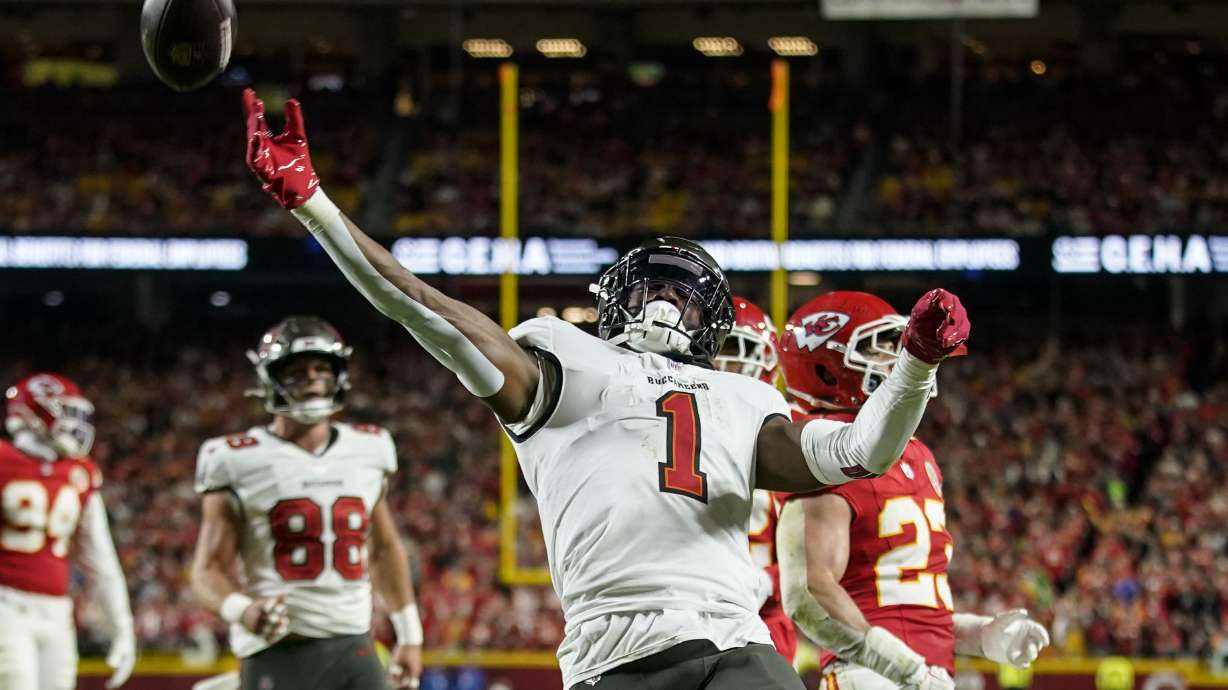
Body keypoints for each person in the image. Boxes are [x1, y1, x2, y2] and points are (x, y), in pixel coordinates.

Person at [240, 90, 971, 690]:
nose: (665, 303)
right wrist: (317, 207)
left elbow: (860, 451)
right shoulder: (564, 357)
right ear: (614, 297)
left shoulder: (743, 399)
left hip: (734, 641)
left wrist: (918, 362)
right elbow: (419, 305)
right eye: (653, 286)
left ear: (712, 322)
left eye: (685, 295)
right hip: (614, 655)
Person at [773, 292, 1049, 690]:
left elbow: (906, 606)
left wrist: (984, 635)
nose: (894, 356)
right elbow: (810, 594)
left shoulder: (918, 455)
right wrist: (907, 670)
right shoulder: (824, 452)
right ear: (826, 367)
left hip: (916, 674)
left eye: (894, 343)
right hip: (871, 676)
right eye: (878, 345)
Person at [190, 317, 423, 690]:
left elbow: (383, 548)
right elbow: (206, 571)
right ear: (271, 379)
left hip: (354, 645)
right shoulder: (235, 459)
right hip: (277, 649)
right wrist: (243, 611)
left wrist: (409, 634)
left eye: (321, 369)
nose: (313, 379)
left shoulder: (369, 447)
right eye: (297, 371)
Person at [0, 373, 135, 690]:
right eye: (67, 413)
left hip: (57, 610)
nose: (76, 425)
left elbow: (100, 556)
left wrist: (121, 624)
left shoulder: (80, 472)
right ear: (35, 414)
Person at [713, 296, 797, 663]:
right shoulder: (667, 424)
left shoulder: (786, 437)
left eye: (740, 349)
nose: (728, 364)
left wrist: (767, 581)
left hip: (762, 618)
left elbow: (813, 557)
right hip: (684, 606)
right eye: (719, 349)